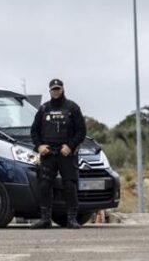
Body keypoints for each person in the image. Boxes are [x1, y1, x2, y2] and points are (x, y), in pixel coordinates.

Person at [30, 78, 86, 229]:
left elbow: (81, 132)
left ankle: (72, 219)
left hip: (66, 153)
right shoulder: (43, 109)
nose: (56, 91)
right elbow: (34, 131)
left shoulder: (72, 108)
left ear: (62, 90)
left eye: (58, 89)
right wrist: (39, 146)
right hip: (48, 153)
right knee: (44, 185)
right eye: (53, 89)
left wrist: (70, 146)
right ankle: (45, 219)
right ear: (49, 91)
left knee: (69, 185)